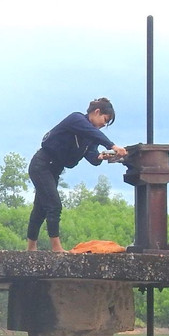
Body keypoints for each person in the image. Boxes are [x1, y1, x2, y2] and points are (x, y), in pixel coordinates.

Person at [26, 98, 127, 252]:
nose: (103, 125)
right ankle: (56, 248)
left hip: (54, 169)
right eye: (105, 120)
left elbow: (92, 156)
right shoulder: (77, 119)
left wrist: (102, 156)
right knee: (54, 205)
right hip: (42, 164)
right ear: (97, 112)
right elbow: (92, 132)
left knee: (41, 208)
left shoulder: (90, 137)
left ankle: (31, 248)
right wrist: (112, 145)